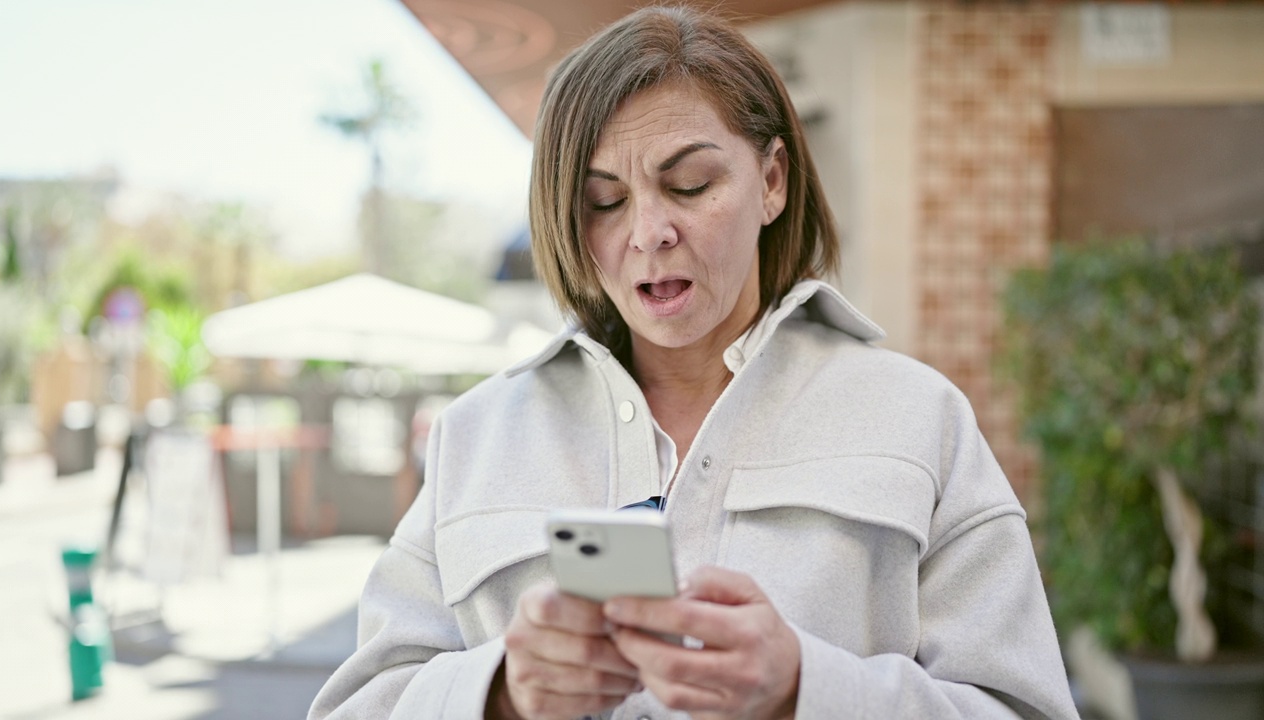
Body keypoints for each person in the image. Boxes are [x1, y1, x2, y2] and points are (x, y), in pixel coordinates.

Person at [309, 6, 1078, 719]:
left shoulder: (921, 420)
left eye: (690, 184)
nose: (649, 231)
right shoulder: (473, 437)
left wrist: (806, 690)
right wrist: (500, 693)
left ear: (772, 182)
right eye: (603, 201)